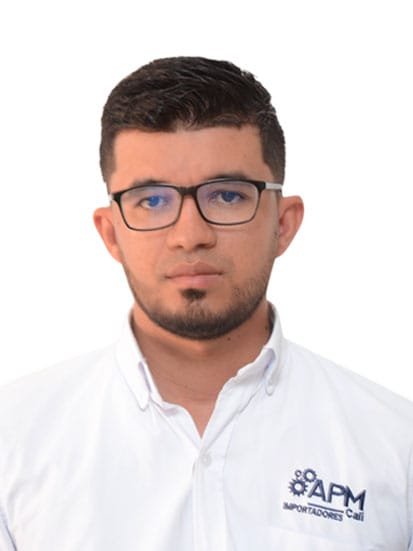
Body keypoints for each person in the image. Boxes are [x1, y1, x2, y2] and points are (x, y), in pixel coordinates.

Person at [0, 57, 412, 551]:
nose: (190, 235)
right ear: (111, 234)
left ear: (283, 224)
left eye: (228, 196)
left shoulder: (396, 447)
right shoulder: (13, 441)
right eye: (152, 200)